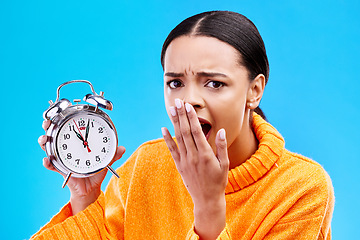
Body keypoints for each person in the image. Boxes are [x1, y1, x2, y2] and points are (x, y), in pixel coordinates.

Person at [33, 11, 334, 240]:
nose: (189, 100)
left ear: (254, 91)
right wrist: (85, 198)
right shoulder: (145, 165)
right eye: (175, 82)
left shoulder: (303, 188)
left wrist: (208, 207)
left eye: (214, 83)